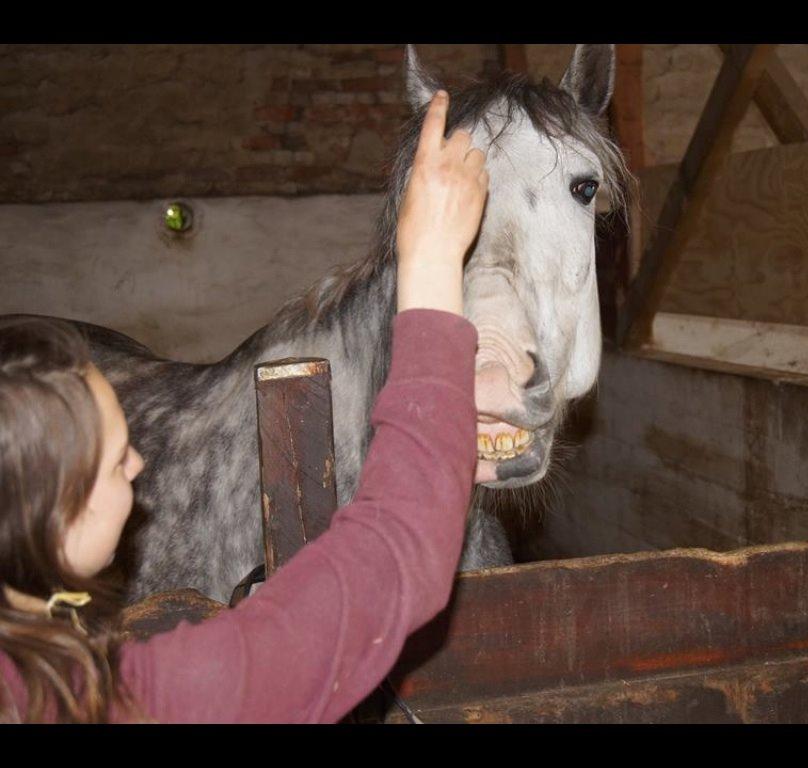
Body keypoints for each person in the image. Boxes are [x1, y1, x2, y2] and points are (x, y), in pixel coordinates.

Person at [0, 89, 488, 723]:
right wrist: (430, 260)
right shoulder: (134, 698)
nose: (139, 467)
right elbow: (392, 561)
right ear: (51, 513)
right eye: (117, 460)